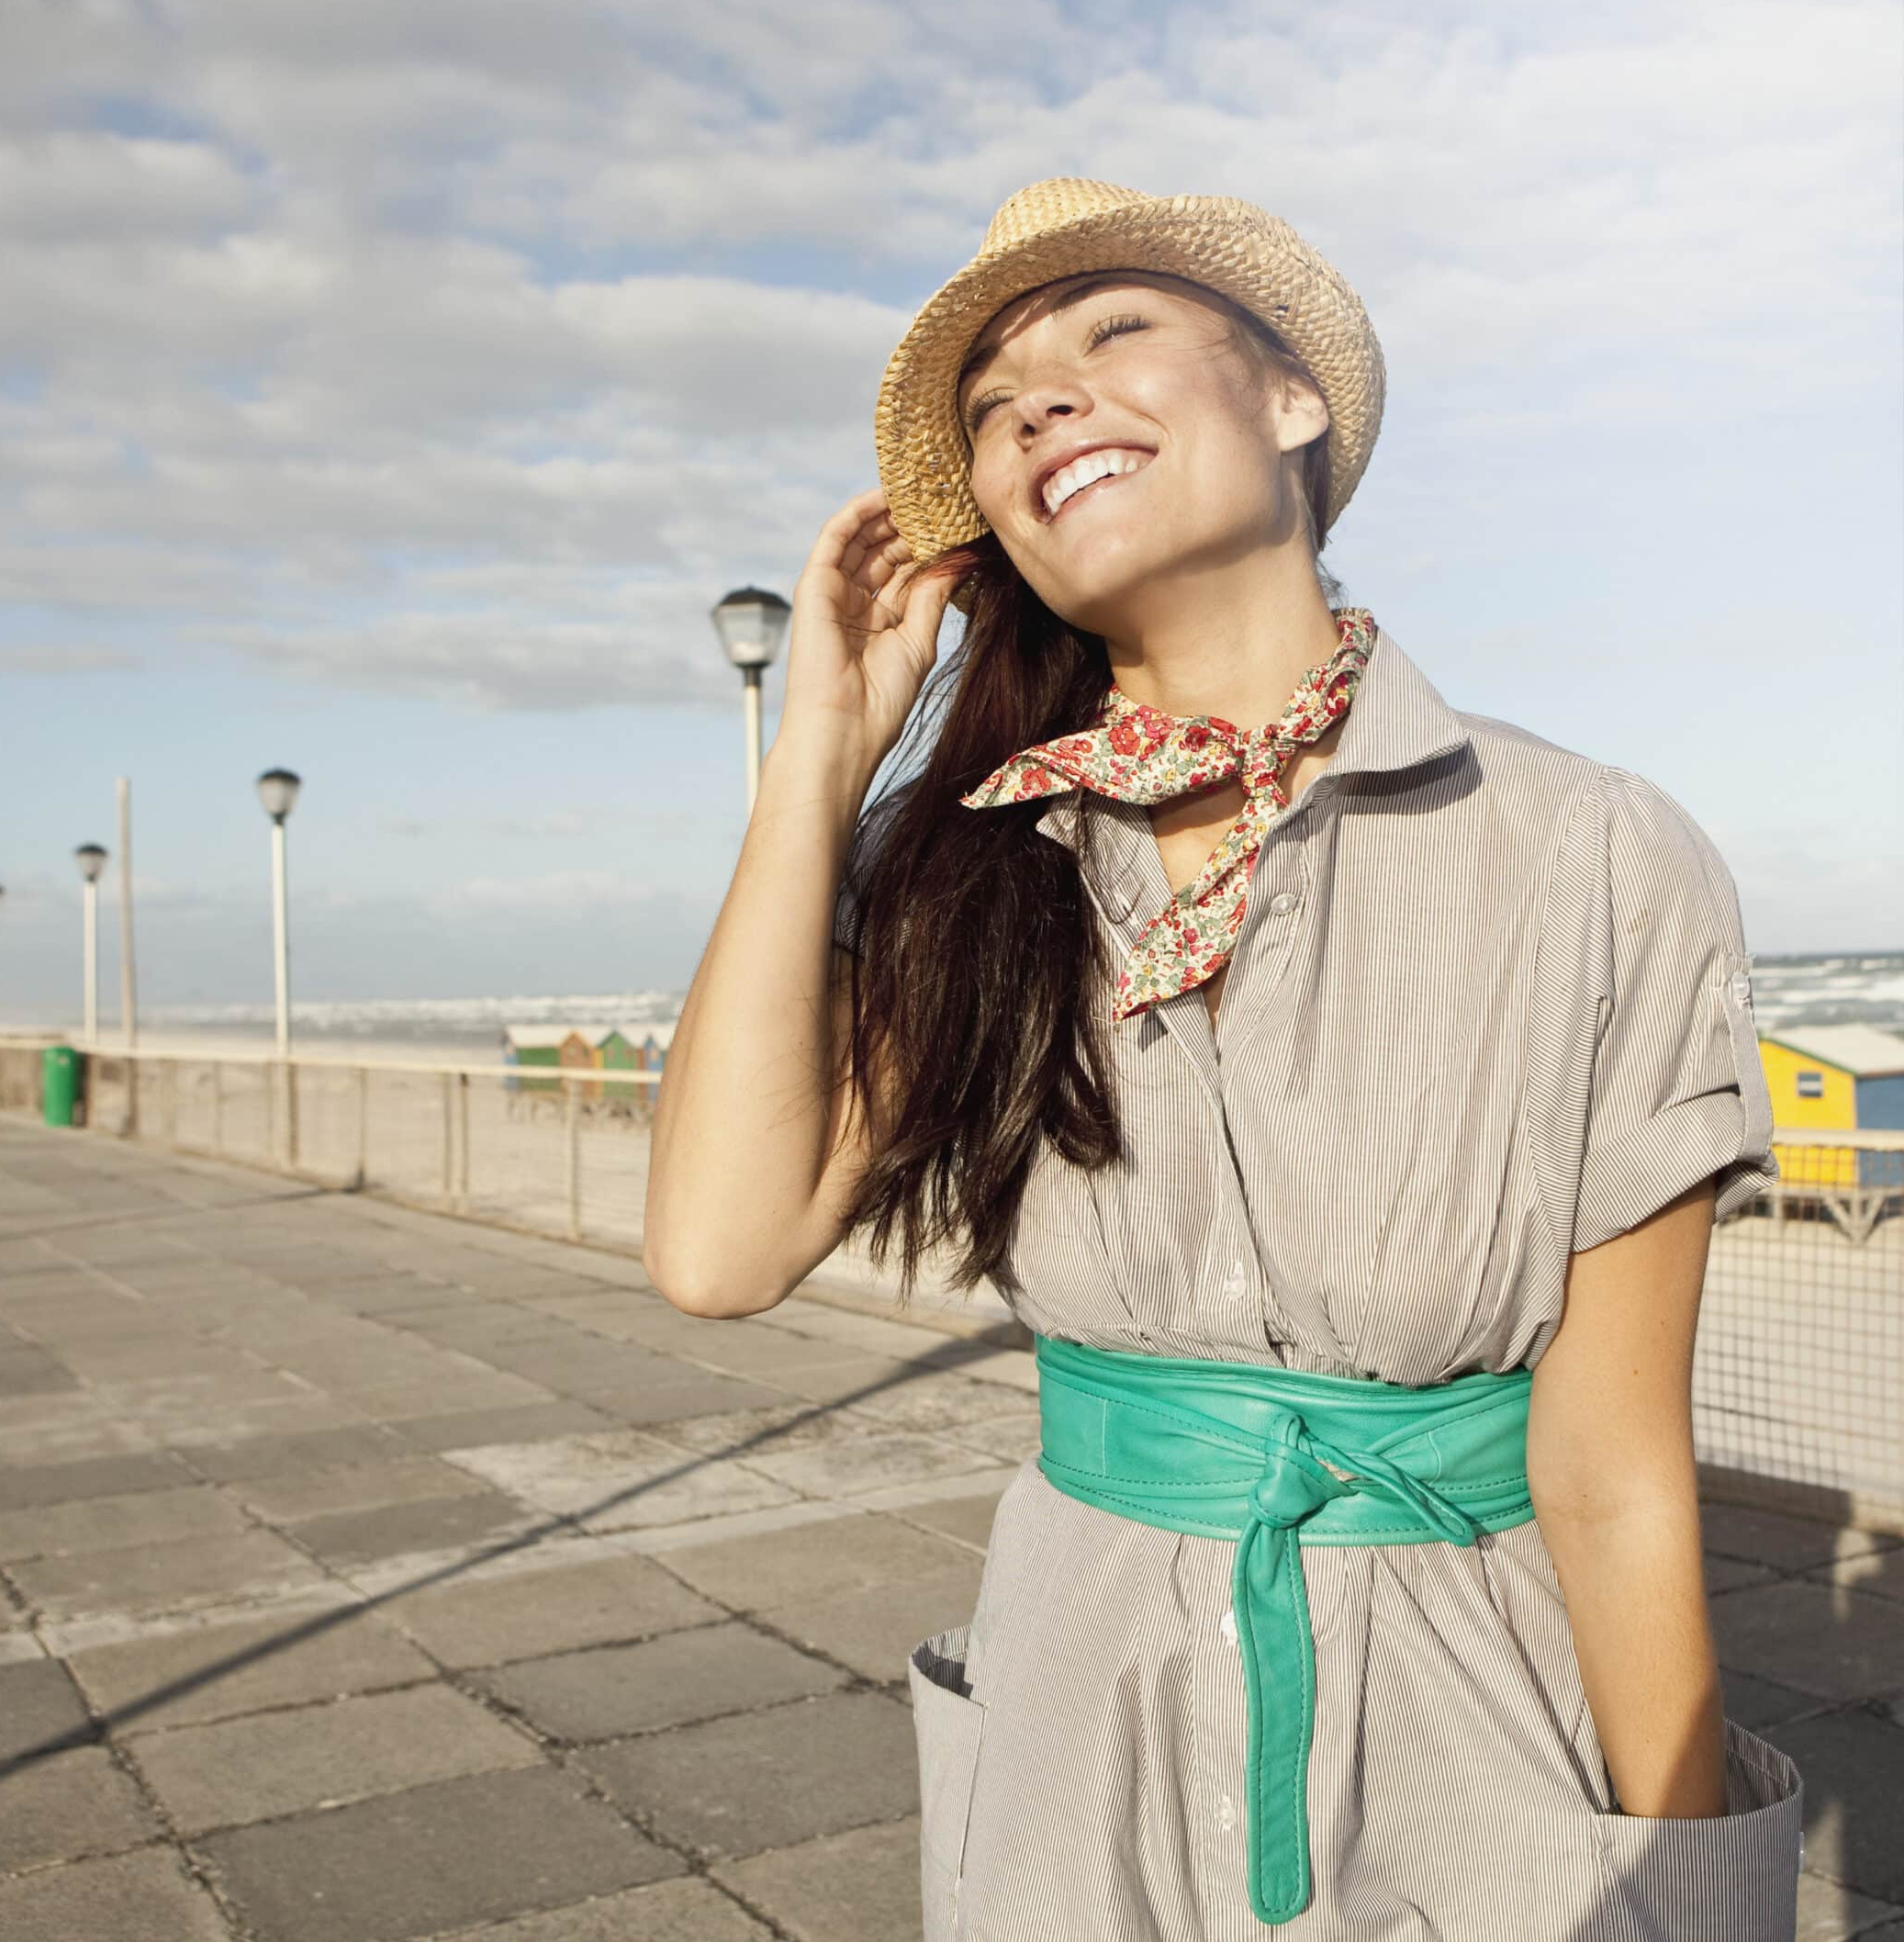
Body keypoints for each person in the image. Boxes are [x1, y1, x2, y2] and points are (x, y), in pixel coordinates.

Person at [643, 177, 1805, 1937]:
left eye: (1109, 333)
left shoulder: (1592, 850)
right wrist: (824, 751)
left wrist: (1687, 1878)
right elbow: (720, 1252)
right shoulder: (970, 869)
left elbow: (1611, 1461)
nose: (1040, 401)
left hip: (1465, 1706)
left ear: (1290, 400)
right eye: (994, 403)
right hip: (1074, 1697)